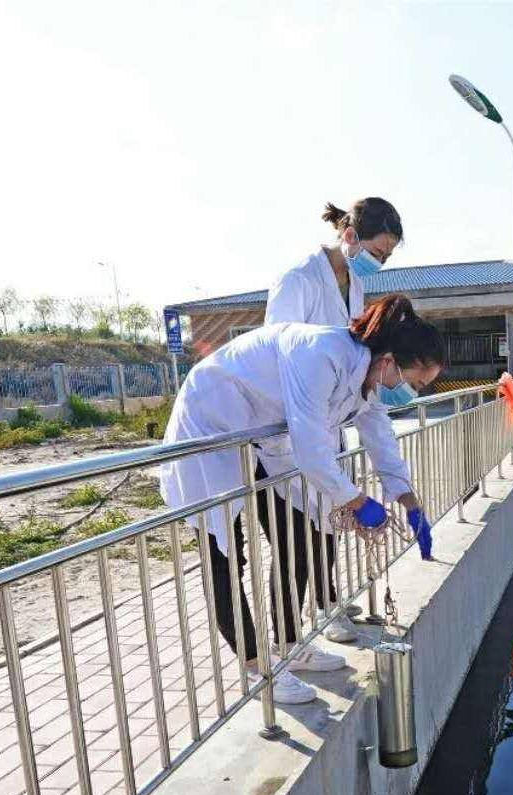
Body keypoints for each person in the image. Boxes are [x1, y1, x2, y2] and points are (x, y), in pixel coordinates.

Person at [158, 295, 444, 705]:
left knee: (300, 535)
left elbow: (382, 444)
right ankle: (257, 668)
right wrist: (357, 502)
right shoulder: (321, 354)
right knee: (224, 551)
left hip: (265, 437)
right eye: (414, 382)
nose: (410, 392)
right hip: (213, 424)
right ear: (389, 361)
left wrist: (411, 504)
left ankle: (291, 646)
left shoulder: (368, 381)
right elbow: (312, 453)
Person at [265, 196, 404, 642]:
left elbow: (354, 359)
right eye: (377, 252)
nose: (379, 263)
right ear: (350, 235)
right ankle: (290, 642)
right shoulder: (299, 279)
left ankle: (326, 607)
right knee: (295, 544)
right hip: (290, 432)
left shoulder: (353, 285)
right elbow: (281, 354)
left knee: (329, 525)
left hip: (326, 426)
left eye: (386, 257)